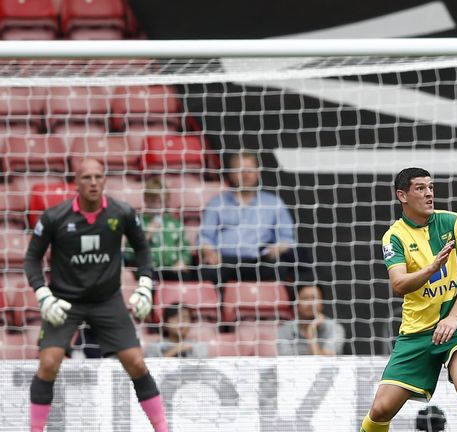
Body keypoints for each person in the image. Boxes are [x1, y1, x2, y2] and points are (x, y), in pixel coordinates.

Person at [24, 158, 168, 432]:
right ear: (76, 182)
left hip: (107, 300)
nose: (93, 182)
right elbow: (32, 259)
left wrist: (145, 285)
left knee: (136, 363)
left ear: (104, 180)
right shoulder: (55, 217)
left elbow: (143, 250)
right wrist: (43, 295)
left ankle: (162, 428)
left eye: (98, 177)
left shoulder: (122, 213)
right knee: (48, 364)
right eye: (87, 177)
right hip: (65, 302)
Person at [360, 167, 457, 432]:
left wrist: (454, 317)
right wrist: (431, 269)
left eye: (431, 187)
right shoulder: (395, 236)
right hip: (416, 332)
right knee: (380, 410)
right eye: (420, 188)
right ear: (402, 195)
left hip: (455, 325)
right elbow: (399, 284)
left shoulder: (452, 221)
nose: (429, 193)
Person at [199, 151, 304, 285]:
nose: (246, 174)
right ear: (231, 174)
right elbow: (205, 237)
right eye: (241, 170)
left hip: (260, 261)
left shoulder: (274, 203)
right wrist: (209, 252)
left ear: (257, 173)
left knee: (280, 269)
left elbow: (287, 238)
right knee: (207, 271)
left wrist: (276, 249)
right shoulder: (217, 203)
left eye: (250, 170)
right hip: (225, 261)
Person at [124, 177, 195, 281]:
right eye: (154, 201)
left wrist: (183, 261)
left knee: (186, 278)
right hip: (149, 270)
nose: (158, 206)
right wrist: (147, 235)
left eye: (162, 202)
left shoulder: (174, 223)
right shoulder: (137, 222)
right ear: (146, 200)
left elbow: (185, 248)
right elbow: (128, 254)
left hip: (173, 269)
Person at [276, 284, 346, 355]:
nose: (310, 304)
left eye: (314, 298)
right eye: (305, 298)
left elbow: (327, 363)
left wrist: (311, 333)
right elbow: (287, 364)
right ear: (296, 305)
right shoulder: (284, 331)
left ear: (322, 304)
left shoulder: (334, 328)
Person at [144, 303, 208, 358]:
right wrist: (175, 351)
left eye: (185, 317)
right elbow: (151, 369)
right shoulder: (154, 347)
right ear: (165, 323)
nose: (181, 322)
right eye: (176, 318)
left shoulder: (199, 346)